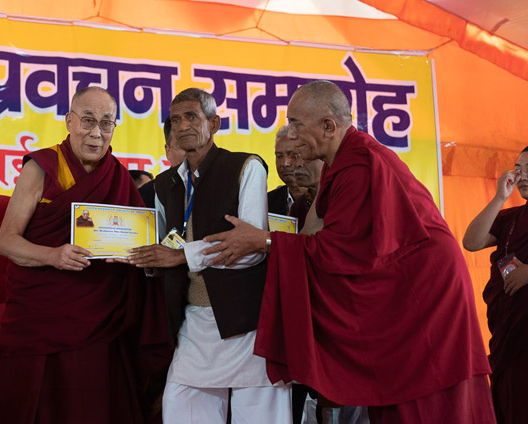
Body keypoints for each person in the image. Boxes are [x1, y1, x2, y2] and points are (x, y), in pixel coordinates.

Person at [202, 80, 495, 423]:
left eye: (296, 124)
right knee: (397, 397)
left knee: (428, 396)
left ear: (328, 126)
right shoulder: (337, 164)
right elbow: (313, 232)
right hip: (407, 286)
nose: (290, 135)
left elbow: (337, 252)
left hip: (424, 290)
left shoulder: (360, 164)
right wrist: (266, 245)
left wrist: (262, 241)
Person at [0, 86, 167, 424]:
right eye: (87, 121)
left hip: (101, 316)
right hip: (41, 313)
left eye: (106, 123)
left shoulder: (118, 177)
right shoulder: (41, 167)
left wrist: (134, 261)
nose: (96, 133)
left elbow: (139, 247)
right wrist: (53, 255)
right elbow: (6, 242)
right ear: (69, 121)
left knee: (94, 406)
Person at [127, 88, 291, 424]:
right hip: (192, 323)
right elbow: (161, 247)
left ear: (213, 123)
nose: (183, 125)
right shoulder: (164, 185)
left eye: (192, 117)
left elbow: (249, 249)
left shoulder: (245, 167)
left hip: (246, 323)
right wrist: (139, 258)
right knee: (180, 405)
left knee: (259, 416)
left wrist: (182, 256)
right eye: (176, 119)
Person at [462, 147, 528, 424]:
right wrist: (500, 198)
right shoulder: (512, 219)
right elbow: (471, 241)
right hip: (508, 338)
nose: (522, 175)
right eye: (518, 168)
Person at [138, 116, 186, 208]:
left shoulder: (217, 188)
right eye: (182, 146)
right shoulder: (147, 195)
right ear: (168, 151)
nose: (191, 153)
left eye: (199, 146)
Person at [268, 126, 307, 215]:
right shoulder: (267, 202)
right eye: (279, 156)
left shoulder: (326, 198)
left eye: (292, 155)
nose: (285, 163)